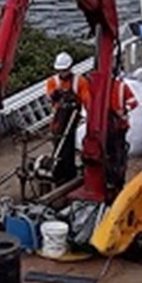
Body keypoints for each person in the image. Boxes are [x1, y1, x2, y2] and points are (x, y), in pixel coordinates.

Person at [45, 52, 90, 185]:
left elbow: (86, 99)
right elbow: (49, 97)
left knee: (69, 144)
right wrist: (55, 95)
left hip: (72, 117)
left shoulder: (79, 81)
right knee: (58, 143)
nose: (62, 73)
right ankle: (58, 172)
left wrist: (81, 107)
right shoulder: (53, 82)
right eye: (60, 70)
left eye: (65, 70)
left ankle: (69, 173)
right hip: (58, 117)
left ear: (70, 68)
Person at [108, 74, 139, 189]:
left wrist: (125, 110)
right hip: (105, 128)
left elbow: (133, 101)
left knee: (118, 155)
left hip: (119, 127)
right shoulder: (100, 87)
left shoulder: (121, 87)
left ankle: (117, 180)